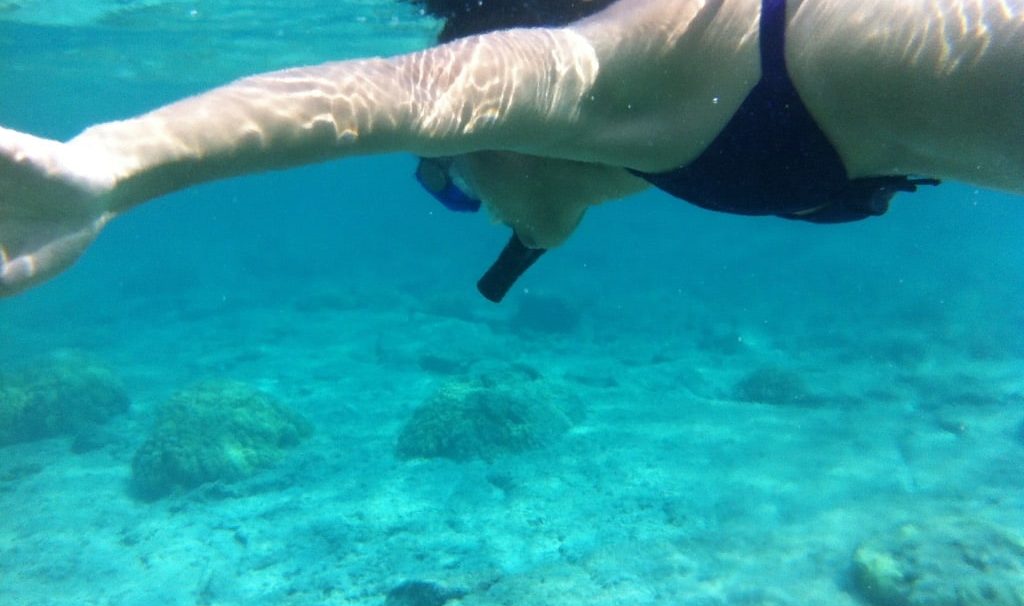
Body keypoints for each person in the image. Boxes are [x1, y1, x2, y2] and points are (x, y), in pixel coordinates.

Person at [1, 0, 1021, 300]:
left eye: (454, 177)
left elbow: (393, 96)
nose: (478, 206)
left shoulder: (594, 62)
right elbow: (551, 208)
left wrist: (114, 164)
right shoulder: (645, 140)